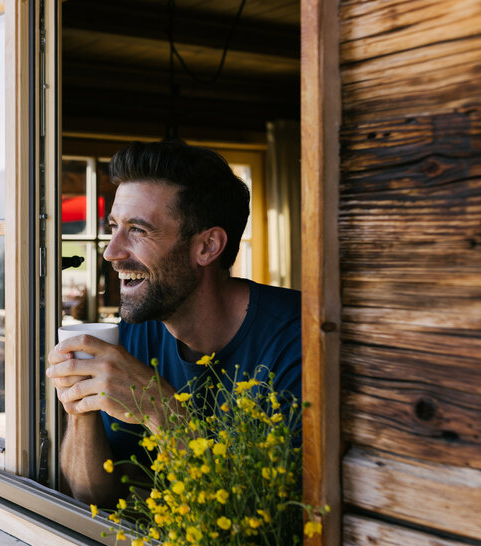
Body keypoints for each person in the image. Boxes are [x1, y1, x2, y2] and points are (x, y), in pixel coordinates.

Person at [46, 140, 301, 506]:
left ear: (207, 247)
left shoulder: (296, 341)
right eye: (114, 226)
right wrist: (79, 401)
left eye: (138, 230)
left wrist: (157, 406)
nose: (111, 252)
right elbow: (92, 491)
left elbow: (265, 514)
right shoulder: (135, 329)